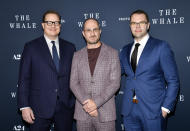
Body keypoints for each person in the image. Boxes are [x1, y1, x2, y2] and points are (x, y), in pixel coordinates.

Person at [120, 9, 180, 131]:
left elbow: (173, 80)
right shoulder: (125, 50)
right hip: (129, 111)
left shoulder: (161, 47)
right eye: (133, 23)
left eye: (141, 22)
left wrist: (165, 109)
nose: (137, 26)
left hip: (154, 112)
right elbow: (115, 74)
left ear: (148, 25)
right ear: (130, 25)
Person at [17, 10, 76, 131]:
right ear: (43, 25)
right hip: (38, 107)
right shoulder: (31, 47)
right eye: (49, 22)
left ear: (60, 25)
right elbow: (24, 78)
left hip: (65, 108)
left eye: (56, 22)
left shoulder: (70, 47)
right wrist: (24, 106)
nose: (53, 26)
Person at [70, 18, 121, 131]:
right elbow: (73, 83)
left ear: (100, 31)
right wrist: (88, 106)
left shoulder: (113, 53)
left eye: (95, 29)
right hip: (82, 113)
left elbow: (115, 83)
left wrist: (95, 103)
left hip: (106, 114)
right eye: (88, 30)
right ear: (83, 33)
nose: (92, 33)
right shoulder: (77, 55)